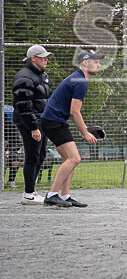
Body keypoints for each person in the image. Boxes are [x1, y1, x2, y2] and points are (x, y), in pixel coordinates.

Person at [38, 49, 104, 207]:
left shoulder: (77, 78)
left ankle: (65, 195)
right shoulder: (80, 81)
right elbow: (74, 112)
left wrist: (84, 128)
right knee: (74, 158)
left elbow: (72, 111)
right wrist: (85, 133)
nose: (99, 65)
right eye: (95, 62)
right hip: (54, 122)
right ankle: (52, 195)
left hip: (53, 121)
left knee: (70, 160)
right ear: (85, 63)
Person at [11, 45, 53, 204]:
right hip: (29, 123)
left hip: (42, 120)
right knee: (32, 156)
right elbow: (23, 105)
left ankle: (31, 191)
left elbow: (46, 99)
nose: (46, 59)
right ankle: (28, 194)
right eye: (43, 57)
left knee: (40, 155)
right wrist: (34, 127)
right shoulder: (24, 77)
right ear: (33, 58)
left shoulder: (43, 75)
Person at [4, 106, 23, 187]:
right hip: (3, 151)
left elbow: (18, 143)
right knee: (3, 160)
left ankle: (11, 181)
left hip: (9, 151)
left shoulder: (11, 128)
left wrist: (8, 149)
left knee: (15, 159)